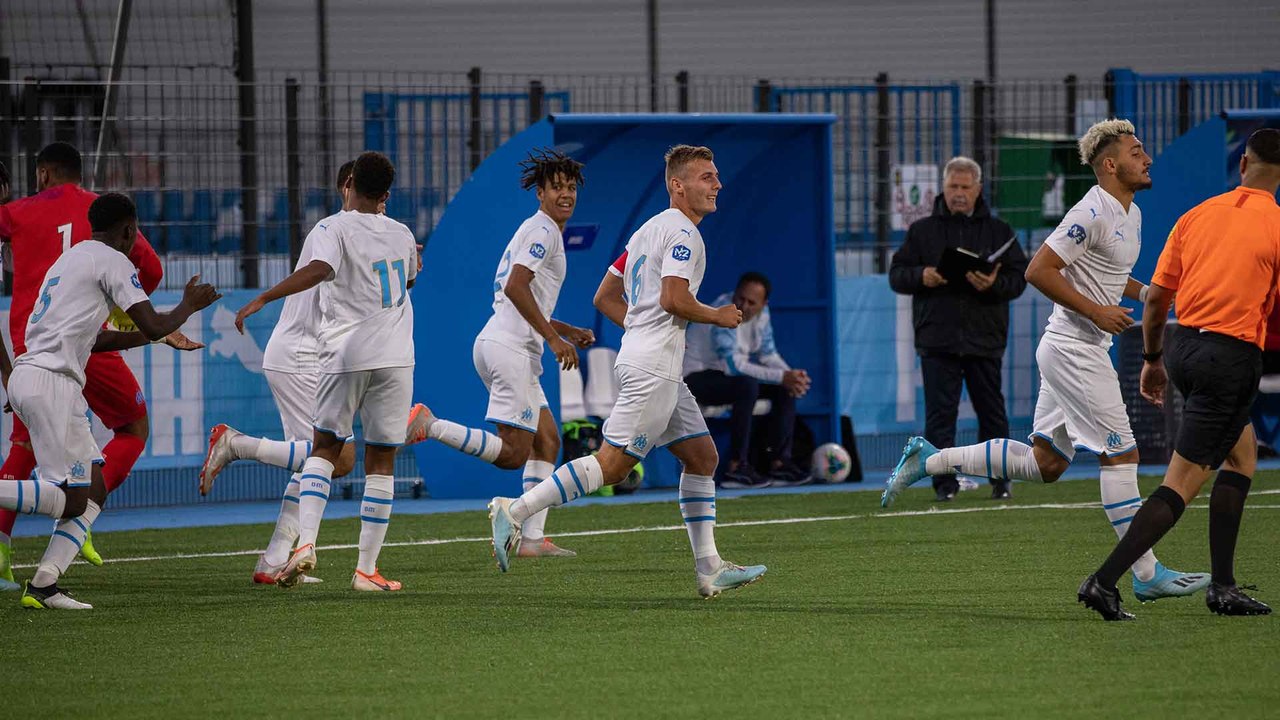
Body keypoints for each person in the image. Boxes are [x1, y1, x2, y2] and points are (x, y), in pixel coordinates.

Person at [883, 119, 1209, 603]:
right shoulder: (1091, 209)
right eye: (1138, 151)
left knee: (1048, 462)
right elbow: (1039, 269)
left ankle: (932, 458)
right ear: (1110, 164)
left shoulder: (1131, 213)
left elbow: (1105, 273)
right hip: (1074, 349)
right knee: (1122, 456)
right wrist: (1096, 311)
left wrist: (1151, 294)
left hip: (1074, 348)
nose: (1148, 158)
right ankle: (1145, 572)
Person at [489, 144, 766, 598]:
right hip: (653, 367)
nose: (717, 184)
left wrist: (640, 329)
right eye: (706, 177)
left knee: (702, 458)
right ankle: (514, 512)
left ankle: (710, 567)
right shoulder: (683, 235)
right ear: (677, 185)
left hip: (654, 363)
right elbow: (673, 298)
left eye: (716, 176)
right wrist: (717, 315)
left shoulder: (647, 230)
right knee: (614, 466)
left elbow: (605, 297)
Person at [1078, 128, 1280, 621]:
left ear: (1242, 164)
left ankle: (1224, 586)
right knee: (1181, 484)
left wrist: (1152, 360)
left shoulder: (1197, 215)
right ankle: (1103, 582)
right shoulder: (1275, 225)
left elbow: (1157, 299)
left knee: (1241, 453)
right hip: (1229, 358)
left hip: (1183, 346)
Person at [197, 160, 428, 585]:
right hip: (325, 355)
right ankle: (359, 566)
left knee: (326, 454)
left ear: (349, 185)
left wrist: (263, 298)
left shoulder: (334, 229)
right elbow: (400, 278)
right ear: (386, 194)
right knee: (356, 458)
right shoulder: (391, 232)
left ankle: (282, 553)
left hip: (337, 353)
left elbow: (331, 271)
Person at [0, 193, 218, 609]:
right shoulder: (115, 260)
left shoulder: (69, 261)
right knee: (67, 497)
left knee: (93, 485)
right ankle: (45, 582)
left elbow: (98, 338)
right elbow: (152, 322)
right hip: (53, 384)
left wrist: (156, 334)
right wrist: (186, 307)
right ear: (129, 230)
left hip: (35, 376)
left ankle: (45, 583)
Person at [415, 149, 594, 558]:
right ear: (540, 193)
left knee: (547, 442)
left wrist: (566, 330)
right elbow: (516, 286)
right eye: (556, 187)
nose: (565, 194)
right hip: (509, 348)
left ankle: (531, 540)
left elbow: (520, 296)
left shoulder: (541, 230)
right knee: (513, 455)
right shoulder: (543, 231)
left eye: (570, 187)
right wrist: (553, 339)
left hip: (508, 344)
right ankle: (432, 424)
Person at [889, 157, 1028, 500]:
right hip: (938, 340)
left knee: (992, 415)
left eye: (965, 187)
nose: (959, 194)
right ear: (943, 189)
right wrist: (922, 276)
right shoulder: (921, 231)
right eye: (953, 187)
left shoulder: (1001, 232)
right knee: (940, 419)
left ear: (978, 189)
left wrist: (993, 284)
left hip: (985, 339)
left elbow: (1019, 279)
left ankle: (1001, 480)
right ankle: (944, 486)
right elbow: (897, 275)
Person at [683, 271, 811, 488]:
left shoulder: (763, 315)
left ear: (763, 304)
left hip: (724, 377)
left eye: (752, 302)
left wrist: (792, 377)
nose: (744, 305)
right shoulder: (723, 312)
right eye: (740, 298)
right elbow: (734, 366)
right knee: (747, 385)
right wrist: (782, 376)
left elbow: (768, 354)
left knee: (782, 390)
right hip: (693, 379)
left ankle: (780, 464)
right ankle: (736, 467)